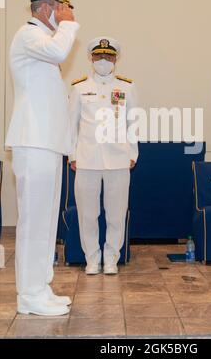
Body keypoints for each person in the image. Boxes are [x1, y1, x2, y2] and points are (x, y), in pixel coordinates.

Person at [5, 0, 80, 316]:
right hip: (32, 141)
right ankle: (29, 294)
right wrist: (68, 24)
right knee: (34, 220)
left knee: (47, 220)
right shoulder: (29, 35)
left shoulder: (43, 41)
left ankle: (41, 286)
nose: (68, 14)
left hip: (47, 143)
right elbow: (60, 52)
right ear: (48, 9)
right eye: (62, 8)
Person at [69, 37, 138, 275]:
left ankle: (111, 258)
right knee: (87, 214)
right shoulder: (79, 87)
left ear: (115, 59)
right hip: (86, 159)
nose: (103, 61)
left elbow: (133, 123)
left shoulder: (127, 87)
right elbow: (71, 125)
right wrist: (72, 154)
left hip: (118, 159)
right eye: (98, 56)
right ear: (91, 58)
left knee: (116, 213)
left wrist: (133, 153)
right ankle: (91, 258)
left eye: (108, 57)